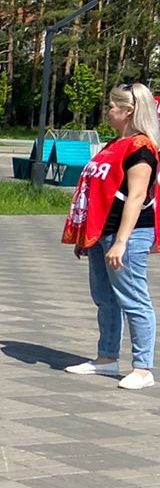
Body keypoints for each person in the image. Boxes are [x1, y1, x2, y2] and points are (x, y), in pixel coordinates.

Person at [62, 82, 158, 390]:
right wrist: (84, 235)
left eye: (112, 107)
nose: (108, 112)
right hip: (101, 232)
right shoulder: (112, 145)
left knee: (133, 298)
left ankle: (143, 368)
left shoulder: (142, 148)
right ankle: (106, 358)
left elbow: (137, 196)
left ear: (128, 111)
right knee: (104, 298)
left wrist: (121, 241)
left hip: (127, 233)